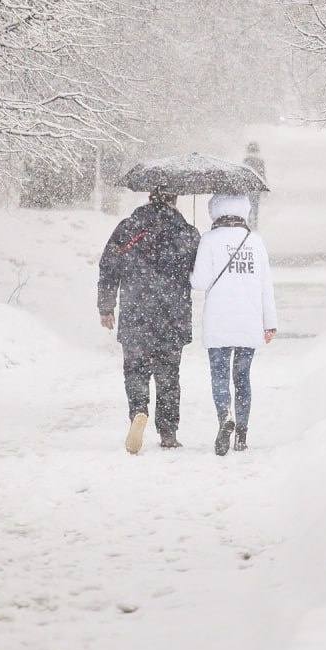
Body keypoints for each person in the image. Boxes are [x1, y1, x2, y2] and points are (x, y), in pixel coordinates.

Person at [98, 189, 200, 453]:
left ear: (149, 197)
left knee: (135, 370)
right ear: (175, 199)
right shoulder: (186, 232)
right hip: (172, 314)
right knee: (168, 374)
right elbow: (199, 273)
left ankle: (139, 412)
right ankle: (168, 432)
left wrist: (106, 306)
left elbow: (109, 266)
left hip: (135, 313)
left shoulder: (128, 228)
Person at [190, 194, 278, 455]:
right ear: (244, 212)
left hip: (219, 319)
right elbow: (266, 286)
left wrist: (192, 266)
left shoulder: (208, 240)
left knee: (219, 375)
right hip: (248, 319)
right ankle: (241, 433)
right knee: (242, 378)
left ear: (214, 211)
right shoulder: (255, 242)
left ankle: (224, 417)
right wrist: (269, 322)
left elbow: (199, 283)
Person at [243, 142, 266, 229]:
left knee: (249, 205)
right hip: (256, 187)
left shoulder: (246, 160)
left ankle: (249, 222)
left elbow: (243, 173)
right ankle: (255, 223)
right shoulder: (260, 161)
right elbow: (262, 174)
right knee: (255, 206)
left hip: (248, 186)